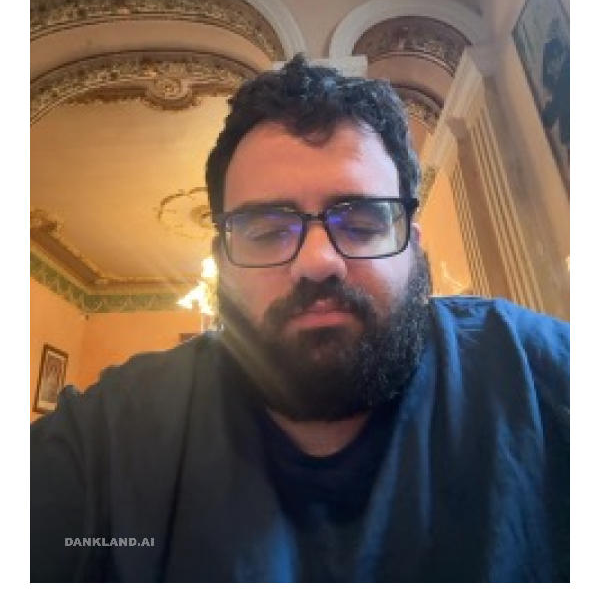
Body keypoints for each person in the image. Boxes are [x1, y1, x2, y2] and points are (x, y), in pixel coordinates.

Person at [30, 54, 569, 582]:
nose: (317, 261)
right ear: (222, 262)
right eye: (267, 232)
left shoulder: (543, 377)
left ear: (414, 246)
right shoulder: (110, 437)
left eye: (361, 223)